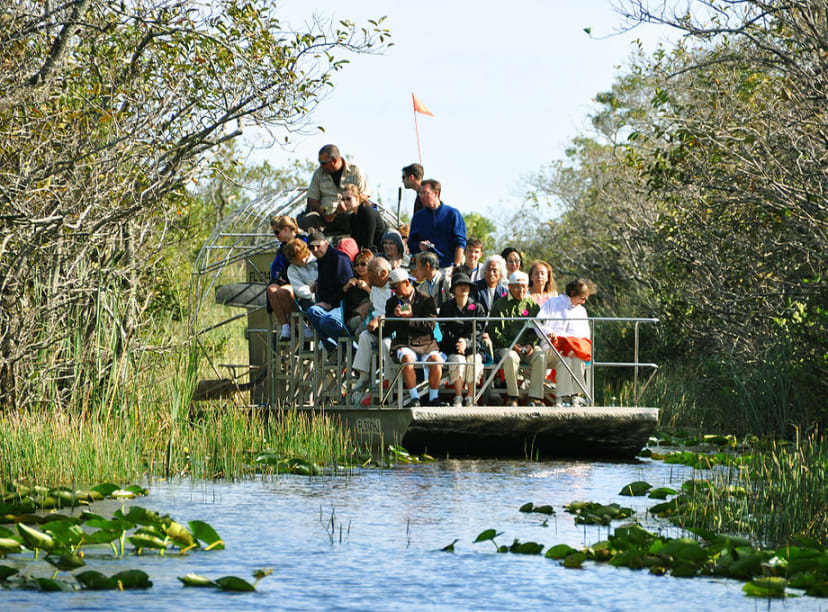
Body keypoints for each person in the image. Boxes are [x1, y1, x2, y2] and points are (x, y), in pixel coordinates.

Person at [384, 267, 444, 407]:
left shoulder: (426, 299)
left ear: (406, 282)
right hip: (404, 343)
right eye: (392, 288)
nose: (395, 291)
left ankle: (433, 398)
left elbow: (430, 326)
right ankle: (414, 397)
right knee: (407, 358)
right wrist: (395, 317)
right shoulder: (391, 303)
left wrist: (410, 318)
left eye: (396, 287)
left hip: (426, 343)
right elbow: (387, 329)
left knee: (436, 359)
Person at [536, 279, 596, 407]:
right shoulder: (553, 303)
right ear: (573, 293)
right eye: (582, 298)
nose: (584, 302)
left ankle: (575, 396)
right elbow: (538, 323)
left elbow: (585, 335)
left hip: (573, 349)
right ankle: (560, 397)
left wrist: (574, 347)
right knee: (565, 360)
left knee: (578, 360)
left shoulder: (581, 311)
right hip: (551, 347)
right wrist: (548, 332)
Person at [489, 271, 545, 407]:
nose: (521, 290)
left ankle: (534, 397)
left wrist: (531, 344)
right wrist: (510, 345)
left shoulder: (532, 305)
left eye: (524, 287)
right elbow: (494, 331)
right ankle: (513, 396)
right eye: (517, 286)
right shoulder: (499, 305)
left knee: (541, 356)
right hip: (506, 347)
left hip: (528, 347)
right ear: (509, 287)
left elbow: (537, 329)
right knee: (511, 357)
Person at [438, 273, 487, 406]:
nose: (463, 287)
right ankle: (458, 397)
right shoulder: (446, 307)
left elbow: (478, 331)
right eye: (459, 285)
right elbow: (443, 330)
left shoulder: (477, 307)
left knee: (474, 360)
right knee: (458, 360)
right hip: (452, 347)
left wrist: (467, 342)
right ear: (453, 289)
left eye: (466, 285)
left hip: (473, 346)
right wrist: (457, 343)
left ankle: (470, 397)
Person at [299, 144, 369, 230]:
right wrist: (324, 214)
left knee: (359, 217)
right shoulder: (318, 173)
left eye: (323, 163)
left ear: (335, 160)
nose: (321, 166)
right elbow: (313, 200)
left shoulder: (355, 172)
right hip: (324, 218)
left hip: (349, 215)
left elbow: (364, 196)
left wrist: (348, 205)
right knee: (304, 220)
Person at [305, 230, 354, 350]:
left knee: (326, 321)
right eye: (311, 247)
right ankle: (331, 348)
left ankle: (352, 350)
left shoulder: (339, 258)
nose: (315, 250)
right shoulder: (321, 261)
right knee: (312, 311)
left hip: (343, 305)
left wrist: (329, 303)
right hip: (329, 304)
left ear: (326, 243)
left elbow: (347, 287)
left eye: (318, 246)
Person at [351, 256, 394, 392]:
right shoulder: (375, 287)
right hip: (377, 329)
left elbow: (403, 309)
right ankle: (363, 377)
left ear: (383, 274)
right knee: (364, 336)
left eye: (370, 272)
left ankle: (389, 380)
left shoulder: (395, 286)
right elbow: (375, 303)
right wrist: (367, 306)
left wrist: (381, 319)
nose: (367, 275)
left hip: (393, 329)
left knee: (386, 345)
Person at [407, 179, 466, 274]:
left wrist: (456, 266)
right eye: (420, 193)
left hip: (447, 269)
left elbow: (460, 243)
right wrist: (419, 246)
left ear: (436, 193)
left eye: (425, 193)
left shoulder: (452, 214)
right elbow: (411, 243)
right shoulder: (418, 217)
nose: (421, 196)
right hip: (424, 270)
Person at [266, 215, 304, 339]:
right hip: (286, 279)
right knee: (271, 290)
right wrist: (277, 278)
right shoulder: (282, 247)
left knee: (283, 292)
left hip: (301, 279)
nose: (276, 236)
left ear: (286, 229)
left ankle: (301, 325)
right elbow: (276, 266)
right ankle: (285, 326)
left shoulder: (303, 241)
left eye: (277, 232)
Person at [283, 238, 318, 339]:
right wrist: (313, 295)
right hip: (308, 299)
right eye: (296, 260)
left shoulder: (318, 260)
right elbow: (299, 289)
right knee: (315, 310)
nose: (302, 261)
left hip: (326, 296)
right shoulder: (292, 270)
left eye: (302, 256)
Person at [341, 183, 387, 252]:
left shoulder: (367, 213)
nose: (345, 202)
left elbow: (369, 243)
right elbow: (356, 243)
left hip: (381, 250)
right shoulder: (353, 217)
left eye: (348, 199)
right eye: (343, 199)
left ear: (357, 198)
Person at [343, 249, 373, 335]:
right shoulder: (353, 284)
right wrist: (346, 288)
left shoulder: (376, 283)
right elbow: (355, 309)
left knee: (365, 326)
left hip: (369, 317)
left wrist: (367, 288)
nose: (359, 267)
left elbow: (379, 300)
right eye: (356, 265)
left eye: (363, 264)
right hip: (354, 318)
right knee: (365, 322)